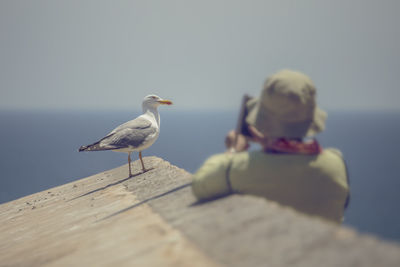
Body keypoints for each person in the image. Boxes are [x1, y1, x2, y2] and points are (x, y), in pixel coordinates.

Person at [192, 69, 350, 223]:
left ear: (263, 119)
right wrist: (268, 142)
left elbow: (200, 184)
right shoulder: (337, 165)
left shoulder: (239, 169)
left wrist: (234, 150)